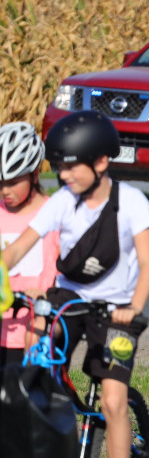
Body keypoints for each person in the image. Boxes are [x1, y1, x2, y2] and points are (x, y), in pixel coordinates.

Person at [0, 111, 149, 458]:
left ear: (101, 162)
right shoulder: (59, 204)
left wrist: (135, 306)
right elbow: (15, 251)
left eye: (71, 165)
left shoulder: (131, 202)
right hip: (68, 301)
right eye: (59, 166)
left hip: (117, 309)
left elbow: (146, 264)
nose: (63, 174)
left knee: (112, 400)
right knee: (33, 368)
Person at [0, 122, 58, 369]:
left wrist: (46, 295)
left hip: (34, 328)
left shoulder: (52, 213)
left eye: (13, 181)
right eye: (0, 181)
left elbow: (58, 268)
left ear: (34, 175)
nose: (5, 190)